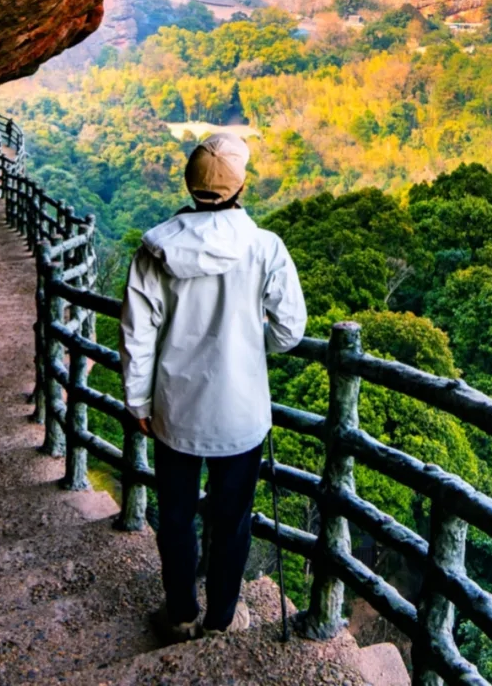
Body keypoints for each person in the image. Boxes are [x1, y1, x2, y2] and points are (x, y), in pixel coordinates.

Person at [120, 132, 307, 643]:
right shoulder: (265, 247)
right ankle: (222, 618)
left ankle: (180, 614)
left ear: (189, 181)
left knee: (177, 518)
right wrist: (251, 341)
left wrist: (137, 400)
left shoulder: (155, 249)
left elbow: (138, 334)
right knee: (232, 522)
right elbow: (290, 330)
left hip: (174, 409)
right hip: (241, 412)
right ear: (241, 184)